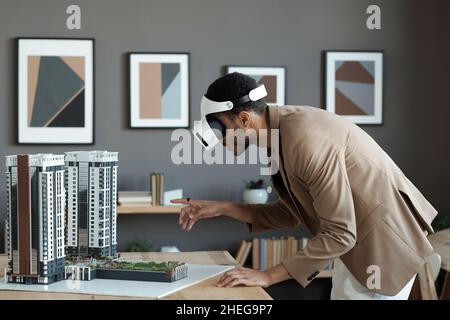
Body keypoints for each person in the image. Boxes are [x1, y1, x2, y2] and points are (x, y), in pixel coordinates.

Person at [172, 72, 437, 300]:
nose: (220, 141)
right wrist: (224, 208)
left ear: (243, 119)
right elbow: (291, 212)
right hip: (354, 244)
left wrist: (267, 276)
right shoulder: (279, 136)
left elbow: (341, 233)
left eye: (220, 128)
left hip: (382, 249)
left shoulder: (304, 140)